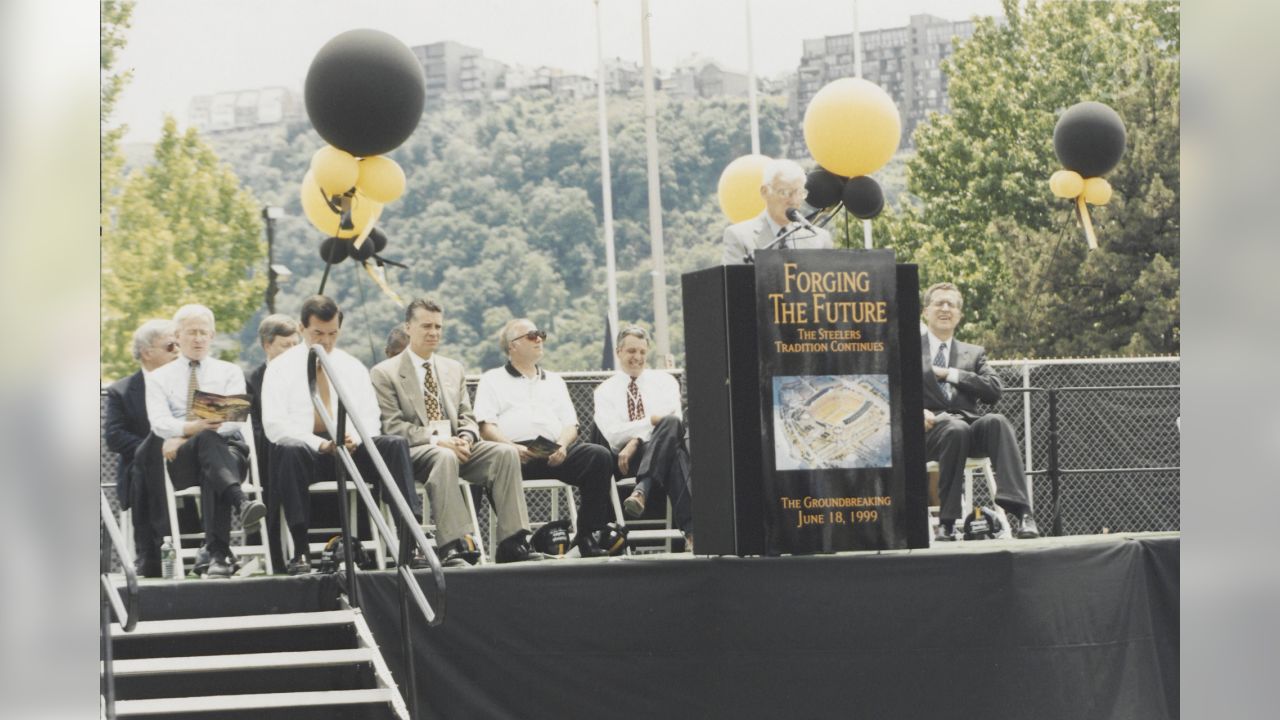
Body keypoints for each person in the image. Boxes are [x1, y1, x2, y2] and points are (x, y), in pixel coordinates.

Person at [372, 299, 547, 565]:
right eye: (426, 326)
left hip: (458, 445)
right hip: (418, 451)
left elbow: (467, 416)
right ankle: (453, 545)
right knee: (444, 457)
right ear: (408, 327)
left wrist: (466, 437)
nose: (434, 332)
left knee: (505, 454)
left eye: (438, 327)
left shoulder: (453, 368)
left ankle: (513, 541)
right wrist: (438, 440)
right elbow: (392, 426)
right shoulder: (385, 373)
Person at [261, 295, 418, 575]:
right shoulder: (280, 368)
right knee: (288, 449)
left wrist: (353, 438)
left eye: (332, 333)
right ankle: (300, 550)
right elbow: (275, 424)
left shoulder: (352, 366)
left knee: (393, 445)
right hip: (308, 451)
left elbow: (370, 418)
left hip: (349, 449)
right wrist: (321, 443)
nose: (325, 341)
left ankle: (410, 538)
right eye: (317, 333)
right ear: (302, 328)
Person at [144, 304, 267, 578]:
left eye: (203, 332)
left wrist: (189, 430)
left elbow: (235, 418)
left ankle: (217, 557)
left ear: (212, 336)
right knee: (207, 440)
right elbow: (159, 422)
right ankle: (240, 503)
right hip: (184, 459)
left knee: (212, 457)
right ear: (177, 336)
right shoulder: (158, 378)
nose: (198, 338)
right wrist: (196, 427)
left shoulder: (229, 371)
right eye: (191, 332)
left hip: (229, 452)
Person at [474, 318, 612, 558]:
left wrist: (562, 445)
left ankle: (587, 536)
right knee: (497, 460)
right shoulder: (492, 379)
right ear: (512, 346)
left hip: (552, 449)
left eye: (541, 334)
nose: (539, 339)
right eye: (531, 335)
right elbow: (486, 426)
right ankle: (514, 542)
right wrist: (511, 447)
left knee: (598, 456)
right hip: (512, 453)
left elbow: (571, 424)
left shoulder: (555, 381)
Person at [920, 282, 1039, 541]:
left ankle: (1023, 513)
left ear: (959, 316)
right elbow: (891, 391)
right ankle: (947, 523)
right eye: (939, 303)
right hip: (928, 434)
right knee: (954, 429)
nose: (945, 308)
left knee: (996, 421)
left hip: (967, 429)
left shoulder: (973, 353)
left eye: (951, 304)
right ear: (925, 312)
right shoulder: (908, 350)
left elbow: (994, 389)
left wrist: (951, 374)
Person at [593, 325, 693, 550]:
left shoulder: (666, 382)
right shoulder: (604, 391)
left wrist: (635, 438)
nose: (637, 357)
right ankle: (692, 533)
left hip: (659, 452)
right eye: (631, 351)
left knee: (671, 431)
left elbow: (673, 423)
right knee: (672, 448)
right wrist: (649, 423)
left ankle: (641, 491)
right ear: (619, 352)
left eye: (642, 352)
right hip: (625, 461)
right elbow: (613, 435)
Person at [105, 319, 178, 576]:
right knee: (149, 464)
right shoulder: (121, 391)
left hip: (183, 461)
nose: (178, 350)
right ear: (148, 353)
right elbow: (114, 436)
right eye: (171, 345)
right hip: (141, 471)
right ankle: (153, 552)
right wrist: (154, 449)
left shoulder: (185, 384)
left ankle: (199, 549)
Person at [245, 313, 300, 571]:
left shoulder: (305, 377)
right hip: (265, 453)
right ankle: (275, 556)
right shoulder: (249, 380)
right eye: (285, 346)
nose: (292, 352)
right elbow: (248, 427)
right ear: (267, 346)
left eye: (295, 345)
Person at [721, 158, 833, 265]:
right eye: (784, 192)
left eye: (799, 193)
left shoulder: (819, 238)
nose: (793, 201)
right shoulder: (738, 236)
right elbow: (734, 283)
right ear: (765, 192)